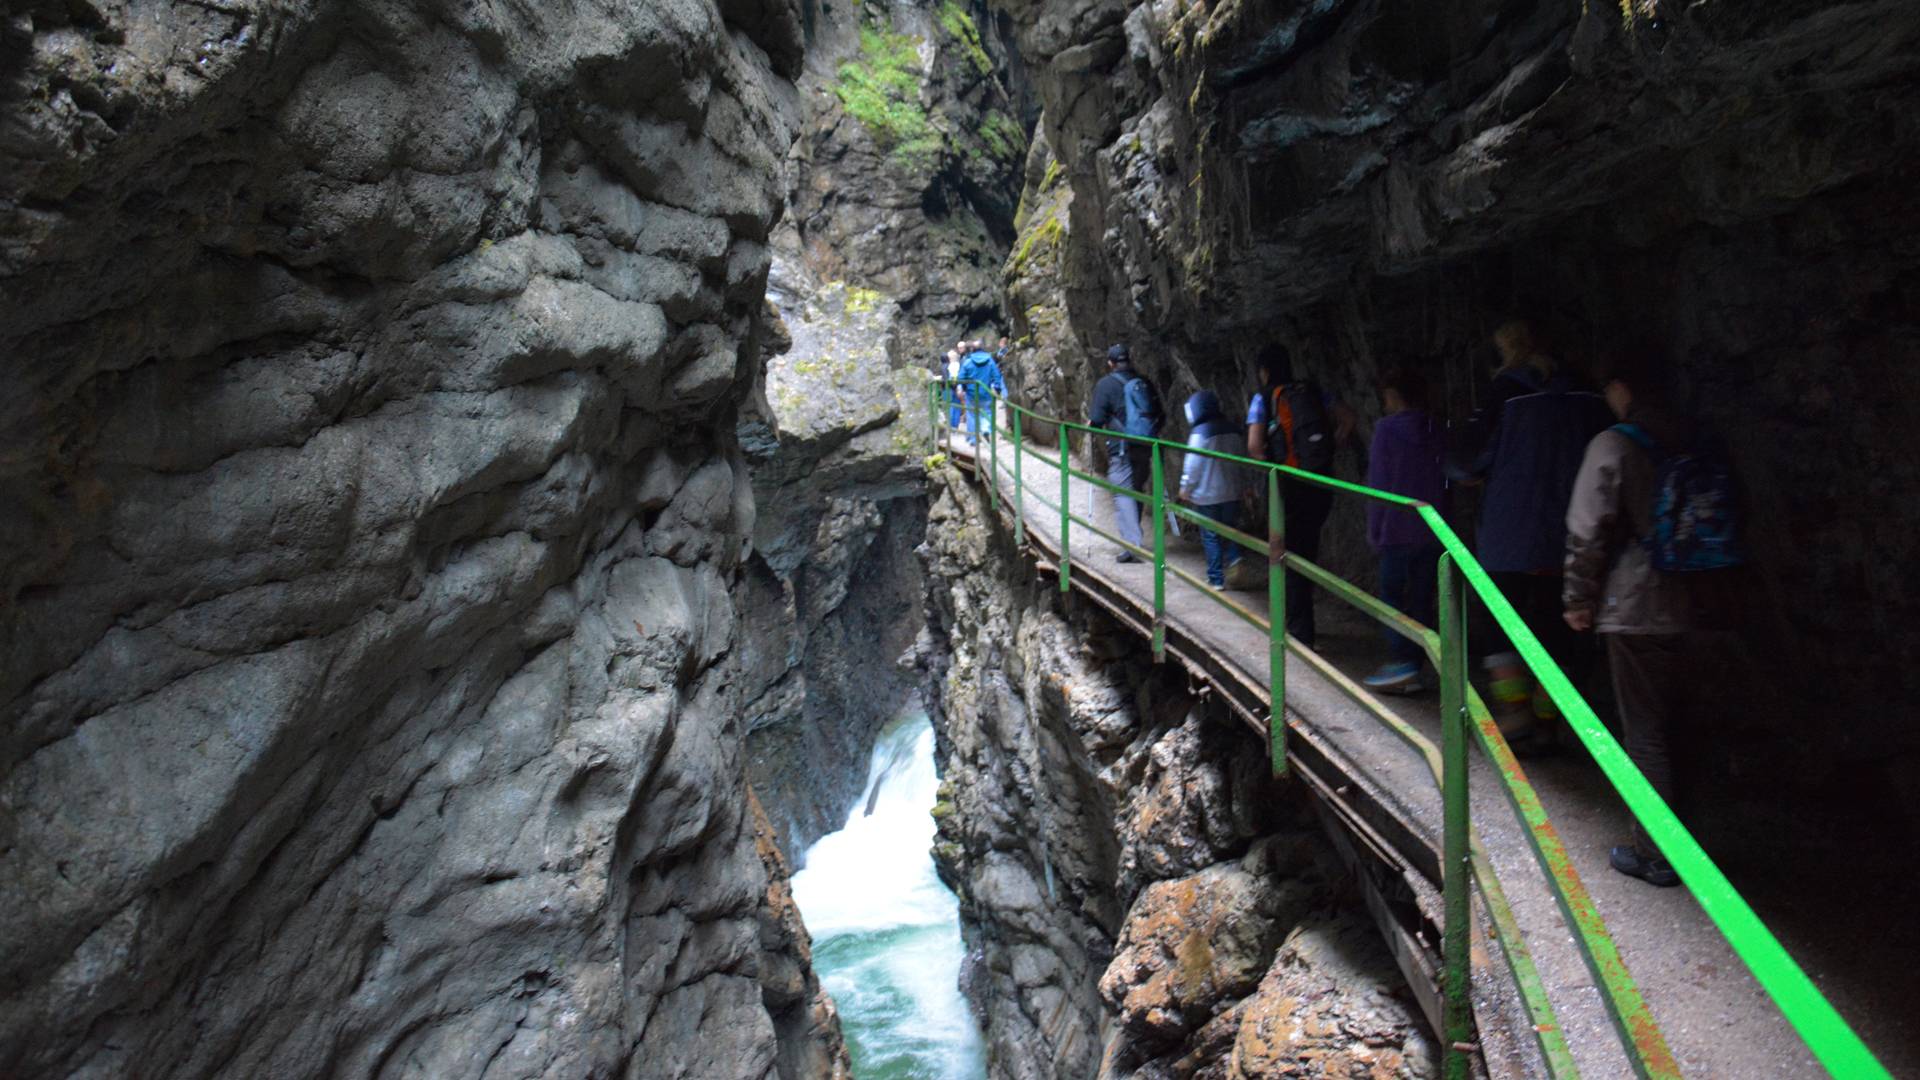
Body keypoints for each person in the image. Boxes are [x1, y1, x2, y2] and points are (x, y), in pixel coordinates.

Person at [1563, 358, 1709, 888]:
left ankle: (1657, 853)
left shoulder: (1614, 443)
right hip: (1692, 599)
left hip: (1635, 604)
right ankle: (1690, 838)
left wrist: (1578, 597)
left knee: (1644, 731)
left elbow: (1587, 528)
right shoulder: (1690, 436)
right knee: (1680, 725)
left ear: (1621, 386)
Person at [1450, 321, 1613, 753]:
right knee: (1557, 628)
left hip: (1510, 531)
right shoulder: (1590, 395)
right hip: (1571, 532)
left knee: (1501, 624)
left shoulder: (1507, 392)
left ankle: (1515, 715)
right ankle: (1550, 720)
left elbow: (1467, 459)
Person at [1245, 343, 1355, 647]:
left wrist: (1271, 470)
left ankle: (1299, 634)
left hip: (1287, 487)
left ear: (1264, 371)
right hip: (1319, 483)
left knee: (1287, 557)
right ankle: (1304, 626)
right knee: (1308, 550)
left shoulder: (1263, 398)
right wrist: (1333, 444)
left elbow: (1254, 448)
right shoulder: (1312, 390)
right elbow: (1347, 417)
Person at [1362, 366, 1448, 693]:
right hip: (1431, 529)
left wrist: (1374, 530)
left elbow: (1379, 484)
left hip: (1396, 531)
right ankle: (1417, 663)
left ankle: (1402, 663)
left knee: (1392, 597)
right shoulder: (1435, 427)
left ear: (1395, 396)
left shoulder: (1386, 430)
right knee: (1423, 599)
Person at [1088, 343, 1162, 562]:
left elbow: (1097, 420)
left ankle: (1132, 545)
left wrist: (1093, 424)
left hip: (1121, 448)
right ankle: (1134, 540)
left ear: (1110, 363)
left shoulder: (1106, 384)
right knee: (1136, 489)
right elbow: (1159, 414)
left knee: (1122, 493)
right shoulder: (1144, 382)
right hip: (1146, 445)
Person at [1178, 390, 1250, 588]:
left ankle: (1216, 579)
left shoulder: (1200, 433)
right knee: (1230, 528)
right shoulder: (1233, 430)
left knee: (1210, 535)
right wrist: (1245, 485)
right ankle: (1236, 560)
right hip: (1232, 490)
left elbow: (1192, 466)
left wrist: (1185, 488)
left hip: (1208, 494)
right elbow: (1242, 460)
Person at [957, 340, 1005, 445]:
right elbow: (996, 375)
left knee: (972, 415)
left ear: (972, 349)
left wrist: (963, 388)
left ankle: (973, 439)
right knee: (987, 412)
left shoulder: (968, 361)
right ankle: (985, 430)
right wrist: (997, 389)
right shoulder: (990, 361)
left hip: (971, 394)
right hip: (986, 392)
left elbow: (961, 377)